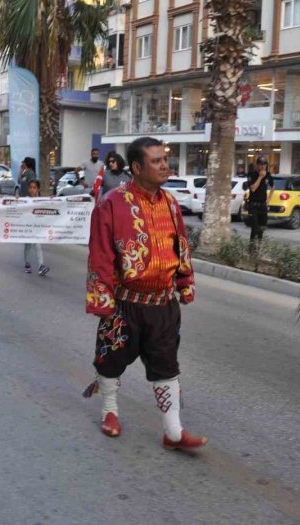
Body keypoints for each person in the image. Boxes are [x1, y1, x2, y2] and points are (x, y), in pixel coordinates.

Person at [83, 136, 205, 451]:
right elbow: (100, 255)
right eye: (156, 161)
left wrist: (185, 281)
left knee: (167, 365)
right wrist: (103, 300)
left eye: (165, 159)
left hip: (164, 306)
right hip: (125, 306)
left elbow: (181, 244)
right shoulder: (111, 203)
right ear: (137, 167)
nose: (165, 165)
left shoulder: (171, 203)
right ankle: (110, 410)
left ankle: (173, 432)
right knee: (110, 361)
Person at [19, 159, 50, 276]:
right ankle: (27, 264)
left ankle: (41, 266)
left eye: (34, 188)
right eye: (30, 187)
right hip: (27, 227)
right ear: (28, 189)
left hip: (36, 227)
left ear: (38, 189)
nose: (32, 189)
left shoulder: (40, 200)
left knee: (38, 245)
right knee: (27, 246)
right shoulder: (25, 200)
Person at [244, 156, 274, 245]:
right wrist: (260, 177)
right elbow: (253, 189)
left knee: (262, 228)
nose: (262, 167)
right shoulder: (251, 174)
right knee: (255, 228)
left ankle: (259, 248)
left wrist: (269, 199)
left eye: (264, 165)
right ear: (257, 165)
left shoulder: (268, 175)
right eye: (261, 164)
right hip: (253, 205)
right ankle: (252, 249)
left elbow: (273, 187)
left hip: (263, 205)